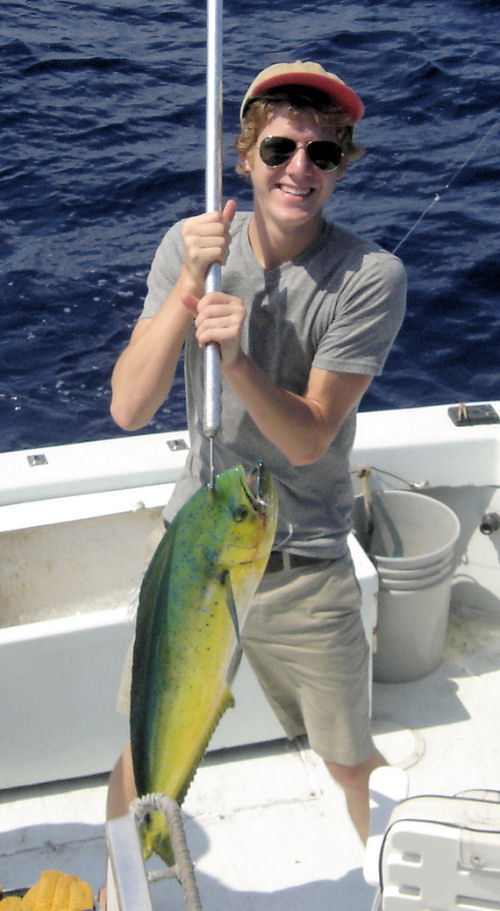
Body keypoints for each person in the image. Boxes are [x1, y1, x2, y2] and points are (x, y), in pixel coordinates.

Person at [108, 60, 406, 857]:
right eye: (279, 148)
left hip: (304, 555)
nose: (299, 168)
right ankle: (118, 889)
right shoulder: (191, 247)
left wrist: (237, 360)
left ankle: (381, 879)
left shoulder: (370, 277)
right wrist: (187, 287)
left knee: (349, 757)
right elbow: (129, 407)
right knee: (143, 755)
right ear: (245, 156)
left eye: (323, 153)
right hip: (195, 552)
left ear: (342, 166)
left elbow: (309, 438)